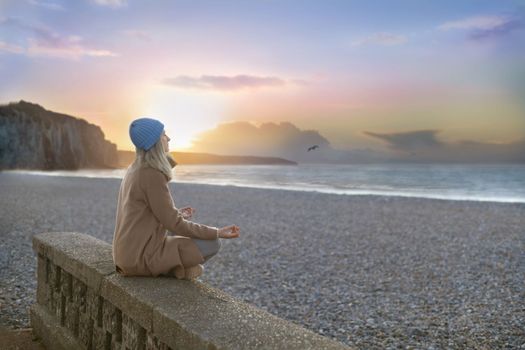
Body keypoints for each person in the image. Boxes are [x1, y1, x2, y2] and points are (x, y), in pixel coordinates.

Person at [112, 117, 240, 280]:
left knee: (184, 232)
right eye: (164, 135)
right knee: (213, 243)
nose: (169, 138)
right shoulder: (151, 174)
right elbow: (175, 224)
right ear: (156, 142)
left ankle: (177, 270)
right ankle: (176, 271)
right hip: (140, 257)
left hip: (127, 253)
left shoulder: (136, 168)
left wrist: (177, 214)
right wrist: (217, 232)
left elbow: (144, 214)